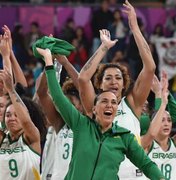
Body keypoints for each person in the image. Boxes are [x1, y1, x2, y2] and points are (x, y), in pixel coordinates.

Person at [36, 47, 165, 180]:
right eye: (104, 101)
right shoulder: (81, 124)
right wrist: (49, 62)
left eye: (114, 103)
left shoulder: (124, 137)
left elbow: (146, 164)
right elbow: (58, 96)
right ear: (94, 108)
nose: (109, 105)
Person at [78, 1, 156, 179]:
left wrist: (135, 28)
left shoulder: (133, 103)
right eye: (108, 78)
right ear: (100, 84)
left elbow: (150, 67)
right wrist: (104, 47)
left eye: (118, 78)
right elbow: (83, 78)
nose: (114, 81)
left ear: (124, 84)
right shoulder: (95, 106)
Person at [0, 67, 41, 180]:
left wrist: (11, 90)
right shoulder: (3, 138)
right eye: (8, 115)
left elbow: (26, 122)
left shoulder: (31, 137)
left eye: (16, 115)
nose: (12, 118)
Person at [141, 73, 176, 180]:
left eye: (169, 121)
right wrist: (159, 95)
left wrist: (166, 94)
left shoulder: (174, 142)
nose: (166, 123)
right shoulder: (147, 143)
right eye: (162, 120)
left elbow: (172, 114)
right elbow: (152, 127)